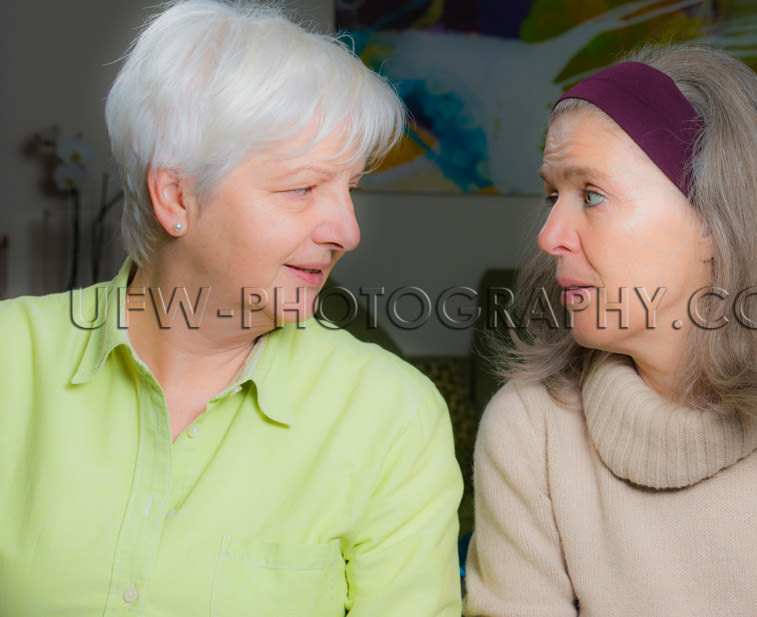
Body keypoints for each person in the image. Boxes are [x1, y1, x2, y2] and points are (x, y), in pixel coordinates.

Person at [0, 2, 462, 615]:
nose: (347, 231)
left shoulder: (393, 416)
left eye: (348, 188)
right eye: (301, 188)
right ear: (176, 195)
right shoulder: (11, 360)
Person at [463, 44, 757, 617]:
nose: (550, 236)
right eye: (553, 195)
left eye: (591, 194)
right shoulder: (530, 429)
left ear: (717, 221)